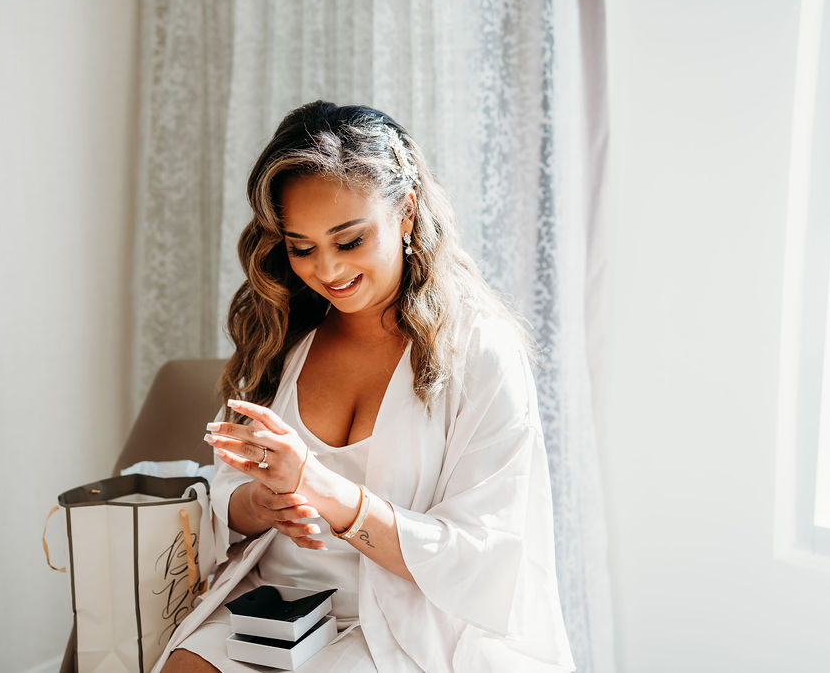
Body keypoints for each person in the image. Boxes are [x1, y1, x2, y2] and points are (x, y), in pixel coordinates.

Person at [156, 101, 574, 672]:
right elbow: (228, 496)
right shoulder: (286, 333)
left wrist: (330, 493)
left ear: (406, 212)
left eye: (349, 241)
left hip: (406, 624)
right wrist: (261, 503)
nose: (326, 271)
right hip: (272, 610)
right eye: (301, 247)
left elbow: (485, 557)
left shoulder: (477, 351)